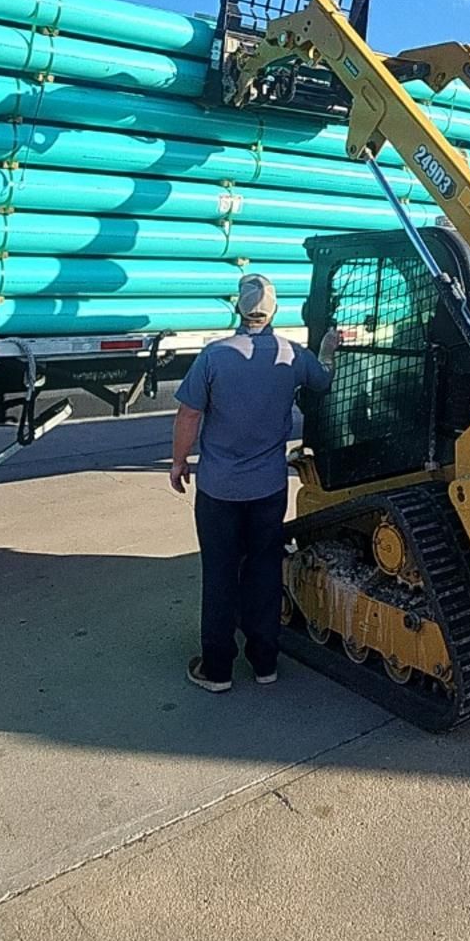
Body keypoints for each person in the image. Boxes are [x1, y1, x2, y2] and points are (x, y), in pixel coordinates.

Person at [170, 273, 343, 692]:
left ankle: (217, 670)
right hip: (268, 488)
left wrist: (179, 463)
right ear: (274, 311)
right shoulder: (292, 355)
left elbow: (189, 415)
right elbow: (324, 380)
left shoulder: (214, 357)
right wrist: (328, 351)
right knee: (265, 569)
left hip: (219, 489)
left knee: (221, 572)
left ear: (238, 308)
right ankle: (265, 663)